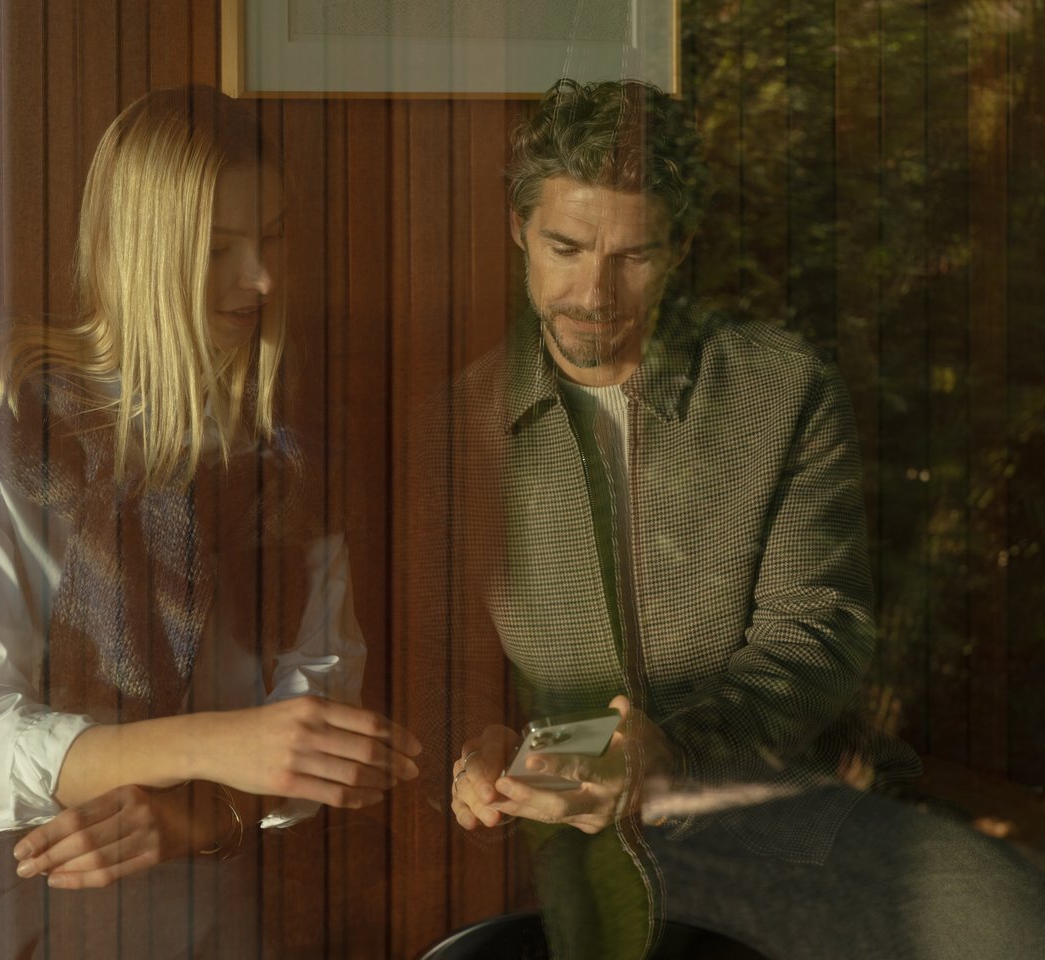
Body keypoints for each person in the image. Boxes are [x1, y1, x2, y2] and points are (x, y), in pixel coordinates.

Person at [430, 78, 1045, 959]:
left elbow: (816, 635)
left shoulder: (782, 392)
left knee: (1012, 927)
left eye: (634, 256)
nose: (594, 293)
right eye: (565, 247)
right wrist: (477, 751)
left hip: (790, 815)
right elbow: (440, 671)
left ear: (680, 250)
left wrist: (673, 754)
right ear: (518, 229)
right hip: (559, 845)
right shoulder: (455, 431)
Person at [0, 85, 420, 958]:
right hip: (52, 882)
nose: (261, 278)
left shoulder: (299, 436)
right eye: (219, 249)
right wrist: (218, 746)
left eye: (273, 237)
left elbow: (318, 701)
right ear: (137, 249)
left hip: (252, 874)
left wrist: (203, 813)